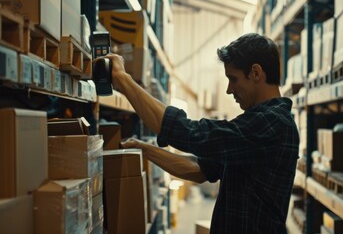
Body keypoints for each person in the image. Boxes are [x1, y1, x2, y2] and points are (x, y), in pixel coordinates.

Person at [103, 33, 299, 234]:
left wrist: (122, 79)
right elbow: (199, 169)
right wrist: (145, 151)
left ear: (256, 73)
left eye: (233, 79)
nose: (229, 90)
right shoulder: (259, 123)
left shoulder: (271, 123)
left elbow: (191, 133)